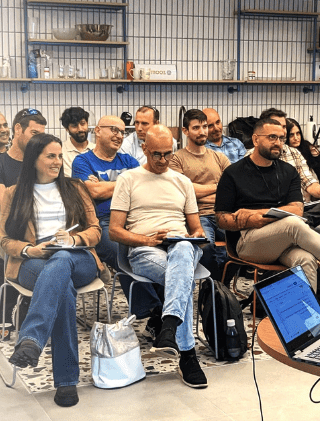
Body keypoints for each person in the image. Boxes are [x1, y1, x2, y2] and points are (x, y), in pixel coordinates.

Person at [0, 134, 103, 408]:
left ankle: (31, 339)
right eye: (50, 156)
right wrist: (30, 250)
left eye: (59, 156)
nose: (58, 161)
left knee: (62, 259)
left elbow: (95, 230)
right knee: (62, 288)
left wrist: (73, 240)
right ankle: (66, 381)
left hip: (77, 256)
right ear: (34, 159)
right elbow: (4, 240)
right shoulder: (13, 193)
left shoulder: (75, 188)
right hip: (34, 260)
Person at [109, 125, 208, 389]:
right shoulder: (128, 179)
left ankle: (169, 328)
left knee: (184, 248)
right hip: (145, 249)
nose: (163, 160)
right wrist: (147, 240)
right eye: (156, 154)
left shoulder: (182, 182)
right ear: (144, 149)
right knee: (182, 280)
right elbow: (114, 230)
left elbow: (196, 227)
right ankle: (186, 354)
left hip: (180, 246)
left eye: (168, 154)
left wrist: (197, 235)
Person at [215, 118, 320, 291]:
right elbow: (221, 219)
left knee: (306, 259)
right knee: (292, 224)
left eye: (281, 138)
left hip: (283, 239)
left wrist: (258, 215)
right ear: (255, 139)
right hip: (247, 242)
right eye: (272, 137)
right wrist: (251, 221)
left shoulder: (288, 171)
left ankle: (308, 308)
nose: (278, 143)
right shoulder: (233, 173)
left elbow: (297, 210)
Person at [70, 115, 150, 315]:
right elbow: (94, 192)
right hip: (100, 222)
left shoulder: (128, 160)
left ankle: (158, 307)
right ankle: (150, 309)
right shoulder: (82, 161)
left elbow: (143, 188)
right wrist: (127, 182)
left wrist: (104, 185)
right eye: (114, 129)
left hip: (132, 219)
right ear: (97, 131)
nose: (119, 135)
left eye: (123, 132)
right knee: (120, 252)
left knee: (153, 247)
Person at [168, 109, 231, 280]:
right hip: (197, 215)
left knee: (241, 245)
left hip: (222, 213)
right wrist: (218, 187)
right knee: (206, 247)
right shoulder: (176, 159)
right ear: (185, 131)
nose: (202, 131)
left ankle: (218, 288)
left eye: (204, 127)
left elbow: (232, 189)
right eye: (196, 128)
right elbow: (185, 191)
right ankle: (215, 288)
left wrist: (198, 191)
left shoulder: (220, 158)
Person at [0, 109, 48, 215]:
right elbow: (6, 207)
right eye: (34, 133)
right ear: (18, 129)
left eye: (41, 136)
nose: (39, 140)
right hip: (18, 224)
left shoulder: (44, 164)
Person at [287, 117, 320, 182]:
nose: (296, 138)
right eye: (291, 135)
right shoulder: (281, 152)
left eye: (298, 133)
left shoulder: (307, 147)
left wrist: (317, 157)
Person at [59, 107, 92, 177]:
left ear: (87, 124)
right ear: (67, 129)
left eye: (83, 124)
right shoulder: (60, 151)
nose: (80, 129)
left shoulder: (97, 149)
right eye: (74, 126)